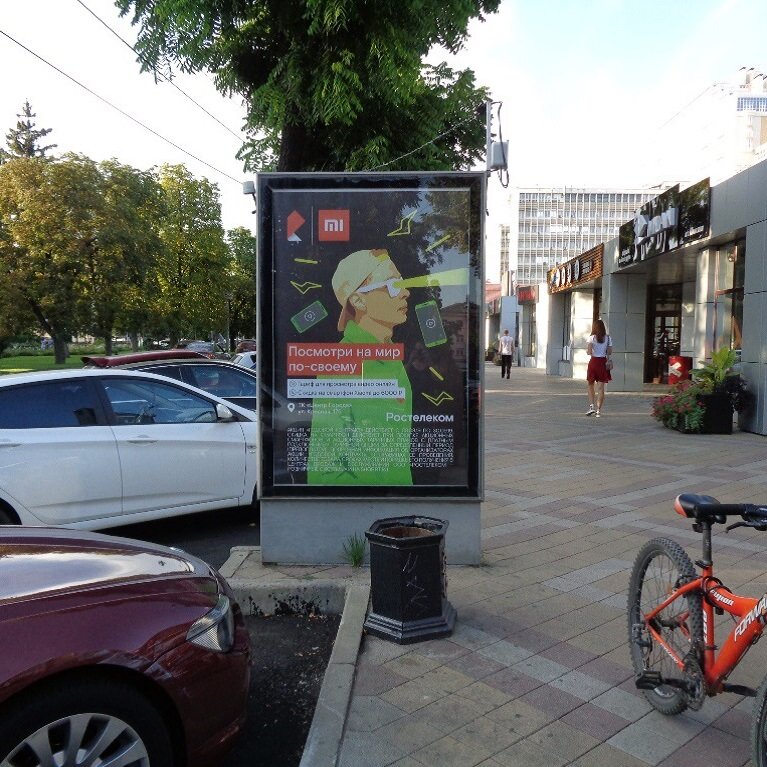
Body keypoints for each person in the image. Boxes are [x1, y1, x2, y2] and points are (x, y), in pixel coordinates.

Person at [307, 249, 413, 485]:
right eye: (392, 285)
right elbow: (326, 466)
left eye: (402, 283)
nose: (405, 292)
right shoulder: (340, 363)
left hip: (398, 501)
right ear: (358, 300)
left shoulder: (391, 357)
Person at [585, 319, 612, 418]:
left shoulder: (591, 338)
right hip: (603, 363)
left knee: (590, 384)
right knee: (601, 388)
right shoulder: (608, 338)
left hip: (593, 362)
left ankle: (591, 407)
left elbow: (589, 352)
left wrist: (590, 350)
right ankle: (598, 410)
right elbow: (610, 352)